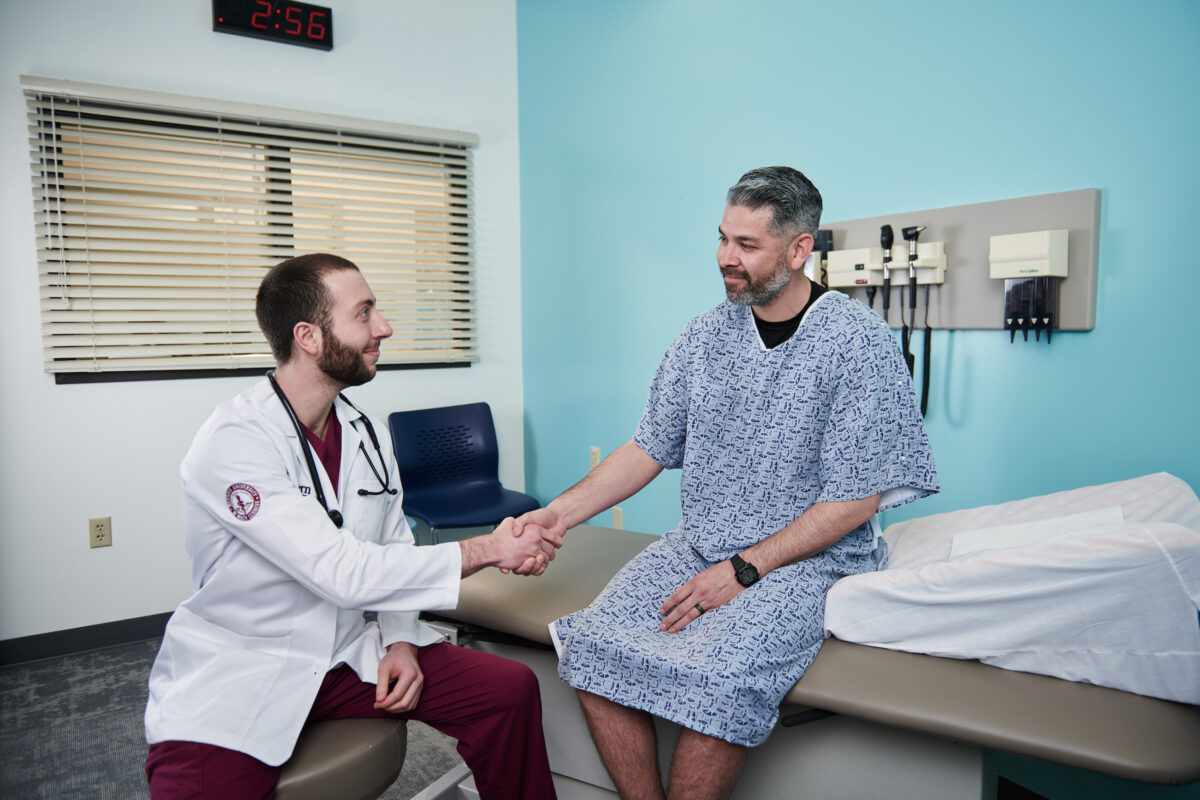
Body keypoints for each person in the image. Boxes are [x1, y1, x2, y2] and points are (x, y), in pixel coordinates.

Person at [514, 167, 939, 799]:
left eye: (746, 246)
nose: (725, 259)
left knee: (720, 679)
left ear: (799, 250)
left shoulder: (858, 344)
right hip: (699, 541)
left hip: (807, 562)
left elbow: (856, 500)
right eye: (722, 239)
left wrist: (743, 570)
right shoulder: (704, 336)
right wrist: (558, 516)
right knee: (591, 645)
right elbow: (647, 447)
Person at [144, 253, 558, 800]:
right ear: (308, 337)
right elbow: (340, 571)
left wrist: (401, 641)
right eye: (364, 313)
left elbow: (393, 544)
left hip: (343, 653)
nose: (383, 327)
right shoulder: (234, 443)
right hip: (243, 669)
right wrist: (488, 549)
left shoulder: (364, 433)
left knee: (508, 691)